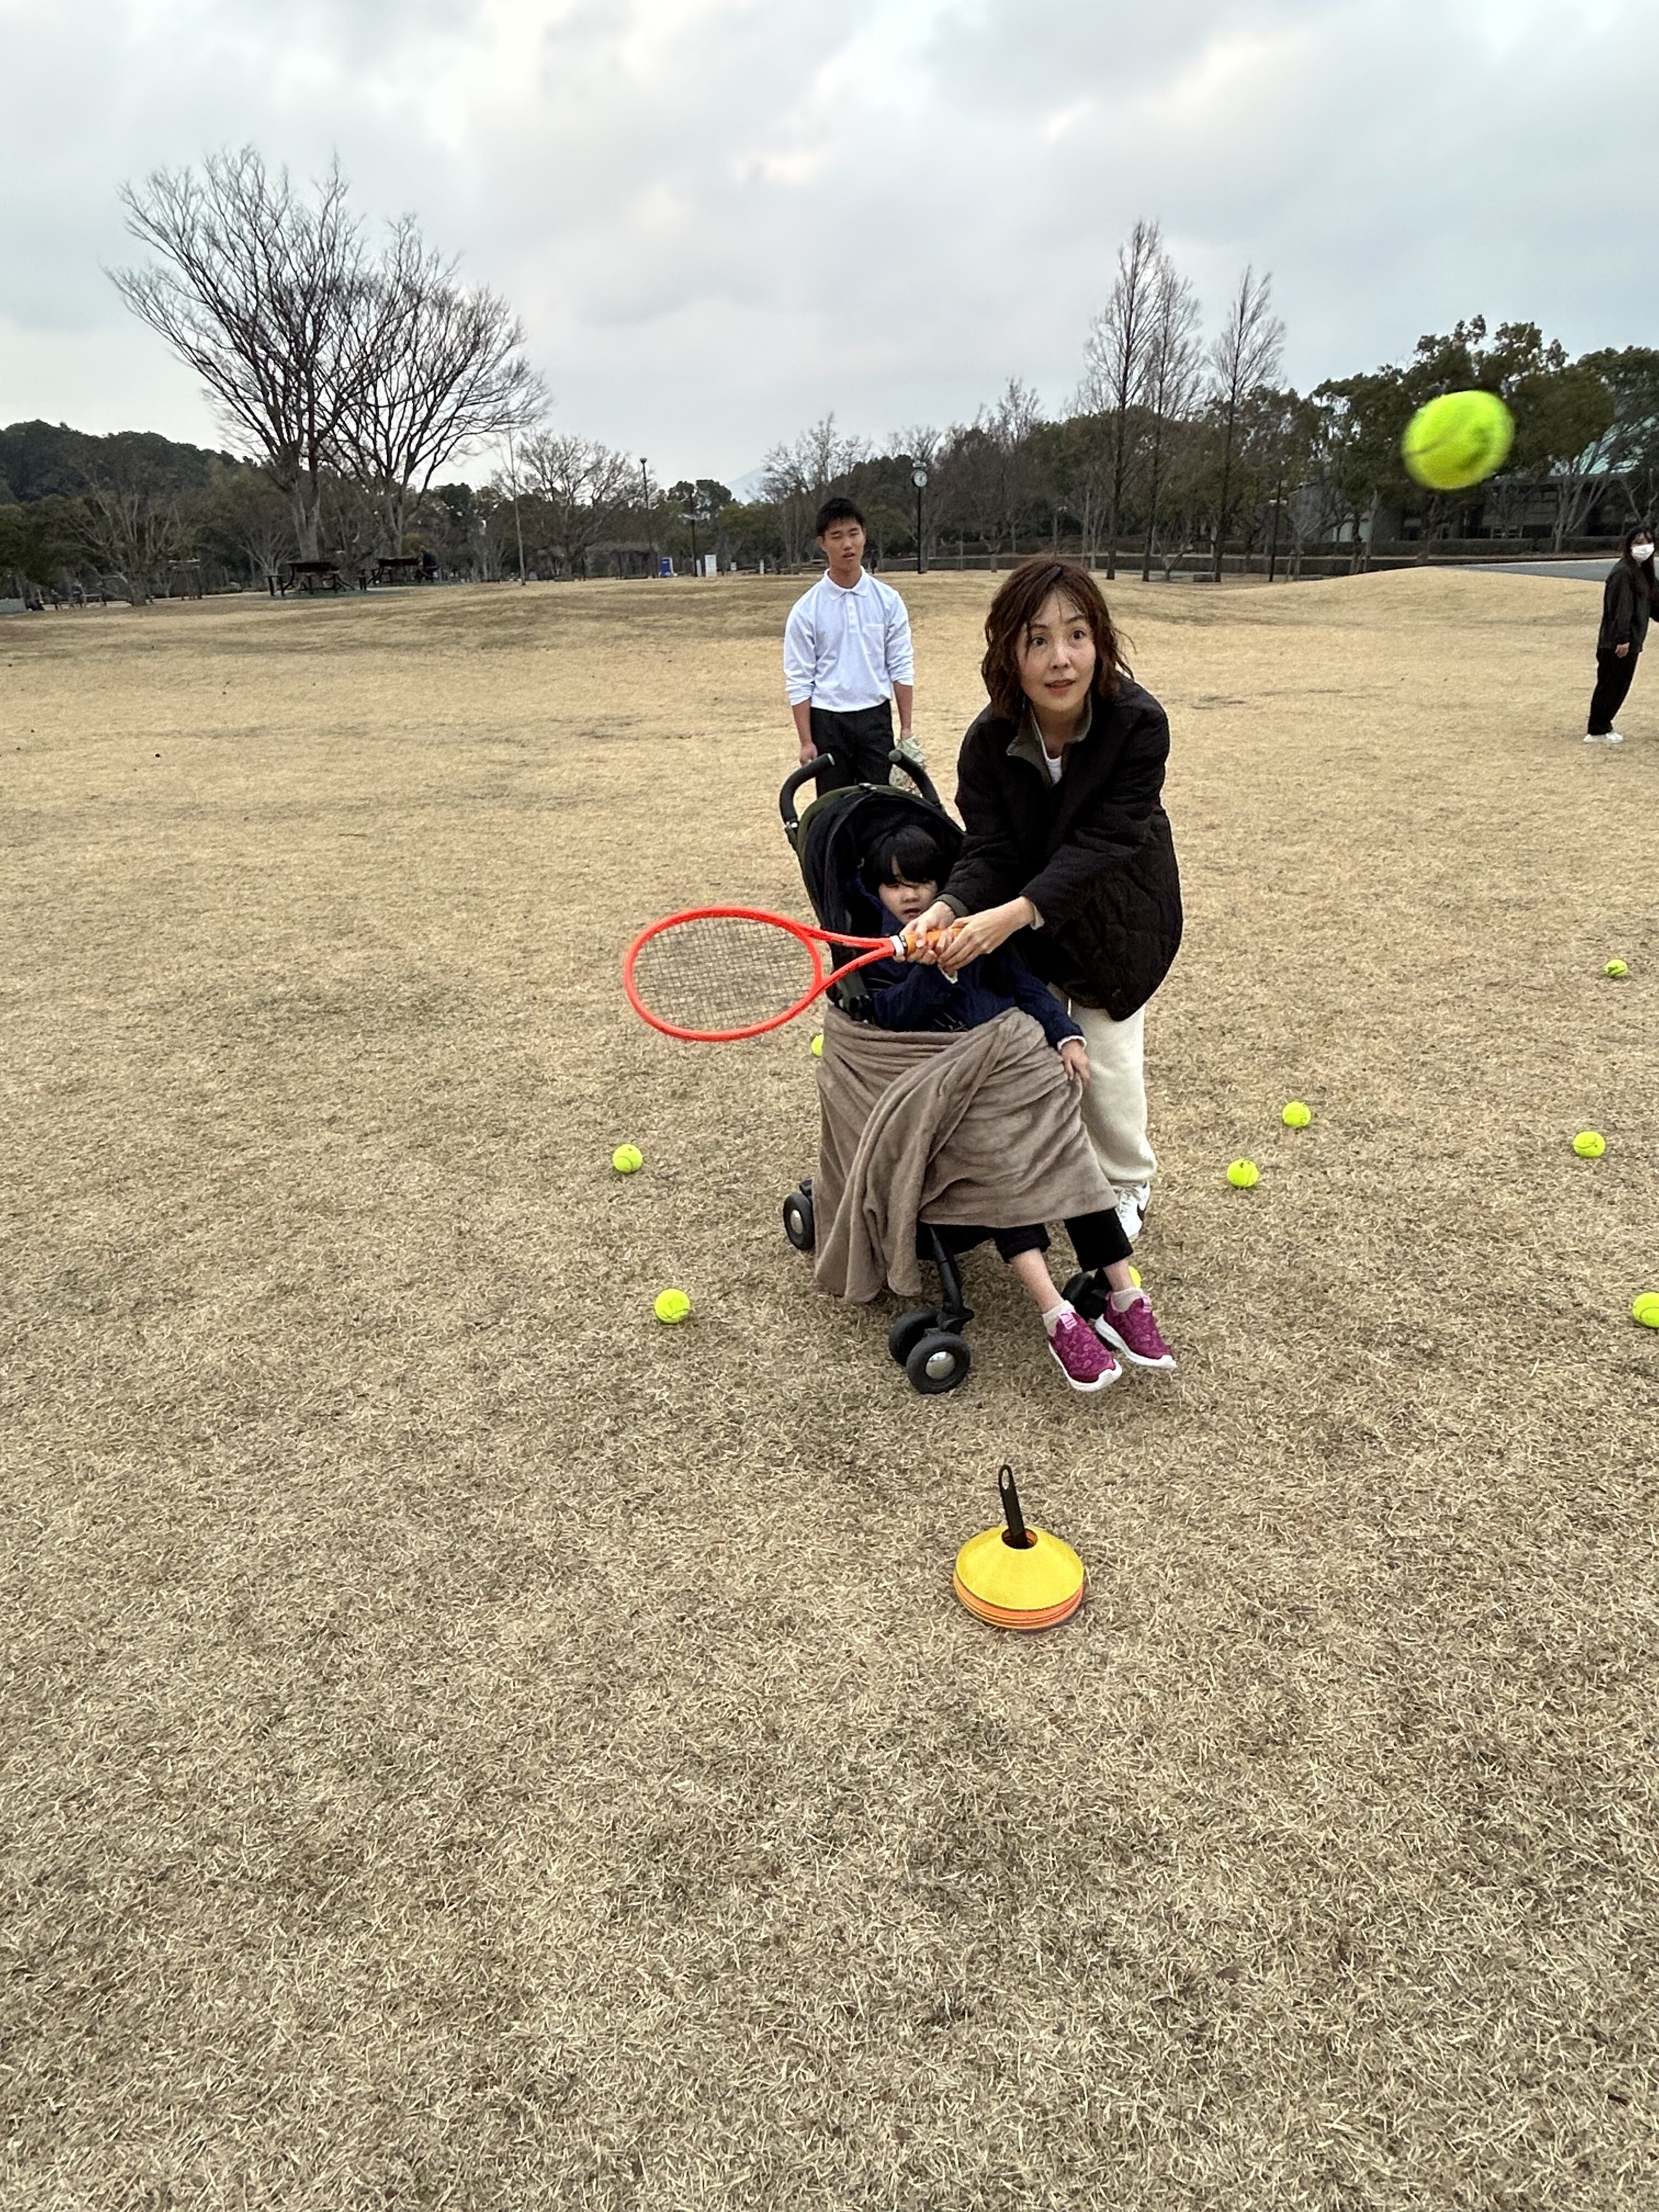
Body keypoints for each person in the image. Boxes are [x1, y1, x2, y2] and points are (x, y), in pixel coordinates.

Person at [905, 559, 1181, 1243]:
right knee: (1038, 1050)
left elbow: (1105, 843)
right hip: (1031, 925)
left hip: (1121, 915)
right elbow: (990, 848)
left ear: (1100, 642)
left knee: (1107, 1060)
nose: (1061, 658)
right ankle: (1048, 1174)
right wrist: (951, 905)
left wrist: (1013, 913)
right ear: (1010, 653)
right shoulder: (988, 740)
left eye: (1077, 635)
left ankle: (1126, 1180)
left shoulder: (1139, 724)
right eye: (1038, 639)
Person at [854, 823, 1176, 1393]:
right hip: (951, 1090)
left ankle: (1124, 1296)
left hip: (1013, 1068)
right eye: (894, 885)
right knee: (1005, 1158)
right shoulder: (876, 949)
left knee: (1068, 1147)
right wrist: (935, 970)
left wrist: (1066, 1034)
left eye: (922, 882)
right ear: (875, 891)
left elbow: (1023, 986)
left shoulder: (971, 928)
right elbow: (891, 1016)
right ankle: (1057, 1315)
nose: (910, 895)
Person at [785, 497, 919, 792]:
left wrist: (907, 729)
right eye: (837, 536)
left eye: (853, 534)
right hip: (828, 721)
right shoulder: (807, 610)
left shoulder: (888, 601)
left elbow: (900, 664)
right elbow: (799, 679)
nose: (847, 544)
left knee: (880, 802)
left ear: (864, 536)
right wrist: (807, 741)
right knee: (836, 805)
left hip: (875, 718)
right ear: (822, 543)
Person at [1585, 523, 1657, 744]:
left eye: (1648, 542)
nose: (1644, 547)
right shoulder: (1623, 573)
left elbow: (1654, 603)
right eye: (1638, 542)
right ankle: (1597, 730)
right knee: (1611, 685)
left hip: (1633, 641)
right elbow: (1621, 609)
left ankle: (1604, 725)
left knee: (1620, 686)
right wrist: (1622, 639)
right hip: (1617, 643)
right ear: (1628, 546)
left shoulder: (1643, 573)